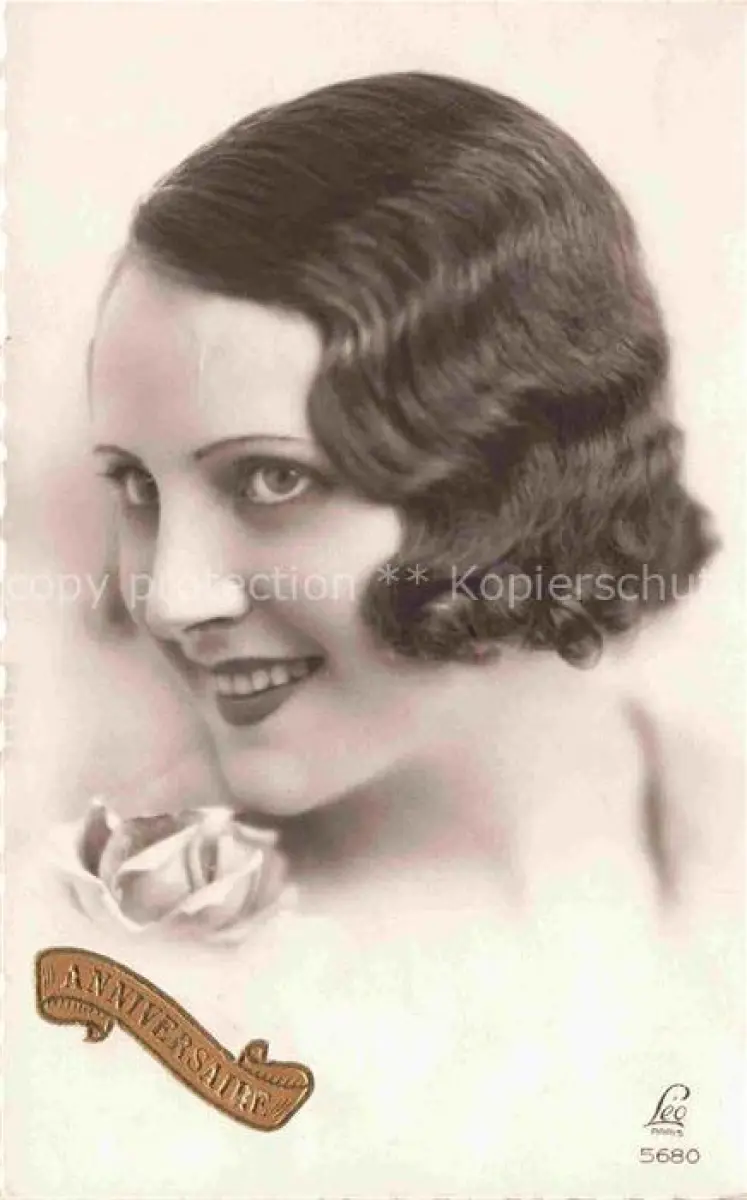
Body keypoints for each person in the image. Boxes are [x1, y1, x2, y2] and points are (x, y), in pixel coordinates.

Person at [19, 70, 745, 1196]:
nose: (168, 597)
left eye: (271, 479)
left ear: (517, 475)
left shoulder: (714, 841)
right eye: (136, 488)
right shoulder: (92, 929)